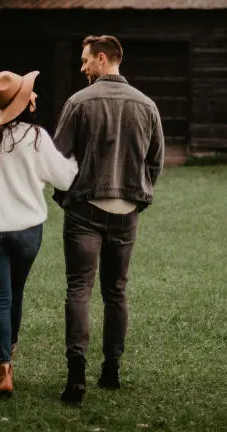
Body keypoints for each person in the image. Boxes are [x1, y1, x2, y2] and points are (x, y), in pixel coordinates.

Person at [53, 35, 164, 405]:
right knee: (116, 292)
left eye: (86, 60)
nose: (82, 67)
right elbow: (156, 162)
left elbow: (57, 159)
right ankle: (112, 370)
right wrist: (135, 197)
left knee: (78, 289)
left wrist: (66, 196)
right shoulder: (147, 106)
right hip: (126, 212)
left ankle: (76, 375)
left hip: (84, 210)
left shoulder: (78, 102)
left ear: (103, 59)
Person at [0, 69, 78, 398]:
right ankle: (8, 352)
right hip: (27, 232)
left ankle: (4, 369)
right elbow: (66, 179)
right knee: (15, 294)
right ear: (22, 103)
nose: (35, 96)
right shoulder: (35, 138)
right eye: (30, 93)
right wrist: (75, 159)